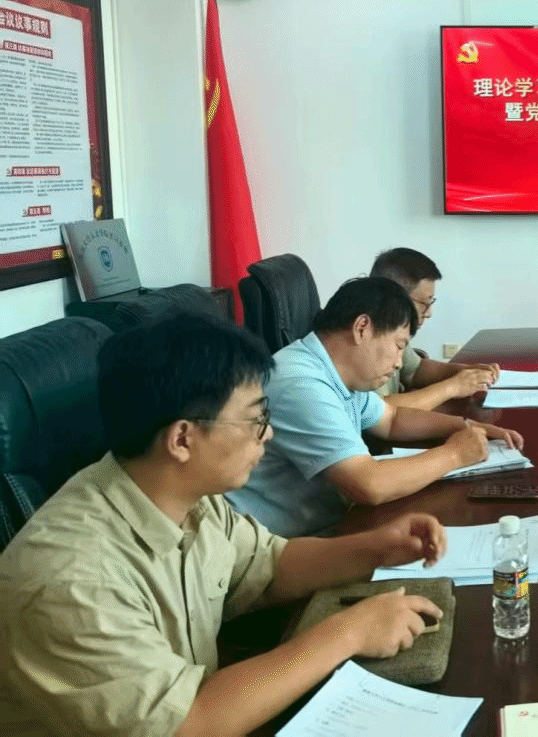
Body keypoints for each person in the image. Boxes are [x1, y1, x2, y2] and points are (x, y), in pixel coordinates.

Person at [0, 313, 453, 737]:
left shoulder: (187, 497)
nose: (268, 434)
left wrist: (377, 548)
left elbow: (270, 564)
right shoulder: (73, 581)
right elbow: (187, 725)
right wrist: (347, 633)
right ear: (182, 438)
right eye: (256, 418)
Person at [228, 276, 523, 537]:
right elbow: (369, 484)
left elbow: (391, 419)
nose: (399, 363)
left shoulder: (334, 370)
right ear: (362, 328)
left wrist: (465, 427)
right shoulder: (301, 383)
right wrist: (456, 453)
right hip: (281, 548)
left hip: (328, 524)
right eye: (398, 345)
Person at [369, 247, 502, 410]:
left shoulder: (394, 329)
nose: (429, 313)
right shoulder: (367, 338)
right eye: (425, 303)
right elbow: (378, 411)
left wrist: (467, 372)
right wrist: (453, 387)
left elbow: (415, 370)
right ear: (396, 297)